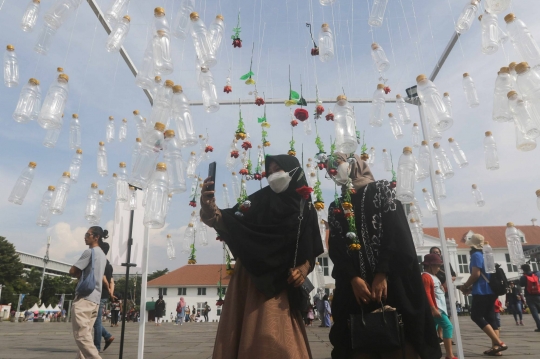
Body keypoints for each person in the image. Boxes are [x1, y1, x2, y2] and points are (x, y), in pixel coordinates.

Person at [200, 154, 324, 359]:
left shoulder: (306, 207)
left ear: (294, 171)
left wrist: (303, 269)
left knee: (276, 339)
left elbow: (311, 247)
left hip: (281, 287)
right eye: (271, 171)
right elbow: (228, 220)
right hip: (249, 281)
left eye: (279, 169)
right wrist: (209, 207)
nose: (274, 175)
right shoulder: (258, 200)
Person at [326, 153, 441, 359]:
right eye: (329, 169)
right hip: (356, 289)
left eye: (338, 164)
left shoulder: (382, 191)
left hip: (392, 283)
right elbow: (336, 248)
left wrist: (382, 273)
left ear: (355, 164)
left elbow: (395, 233)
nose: (334, 170)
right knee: (358, 344)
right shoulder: (336, 206)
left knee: (400, 341)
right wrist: (353, 278)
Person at [460, 234, 508, 356]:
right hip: (491, 291)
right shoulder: (487, 255)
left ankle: (499, 343)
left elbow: (476, 274)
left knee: (476, 316)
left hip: (482, 291)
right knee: (491, 318)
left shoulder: (476, 255)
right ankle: (496, 349)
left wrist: (465, 286)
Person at [68, 226, 107, 359]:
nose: (85, 237)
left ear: (96, 237)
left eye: (87, 234)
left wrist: (80, 275)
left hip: (85, 298)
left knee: (81, 335)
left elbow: (72, 270)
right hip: (96, 299)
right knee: (87, 334)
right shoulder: (103, 255)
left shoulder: (89, 252)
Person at [421, 254, 456, 359]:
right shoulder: (426, 276)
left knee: (430, 331)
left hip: (439, 307)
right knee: (448, 326)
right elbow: (427, 293)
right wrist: (433, 308)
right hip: (437, 308)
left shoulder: (433, 276)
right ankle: (449, 355)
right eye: (437, 265)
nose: (439, 268)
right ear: (430, 265)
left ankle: (426, 353)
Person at [93, 241, 115, 352]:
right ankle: (106, 336)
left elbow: (104, 279)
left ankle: (97, 347)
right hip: (105, 294)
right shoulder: (109, 265)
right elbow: (112, 281)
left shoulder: (101, 262)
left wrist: (106, 288)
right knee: (94, 320)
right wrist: (111, 293)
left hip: (99, 293)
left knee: (96, 321)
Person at [519, 264, 540, 332]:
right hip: (538, 294)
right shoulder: (537, 274)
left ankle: (539, 326)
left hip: (529, 296)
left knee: (534, 312)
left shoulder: (524, 277)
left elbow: (521, 284)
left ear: (523, 270)